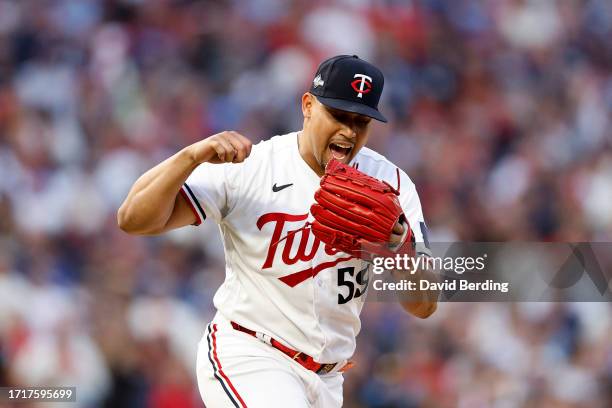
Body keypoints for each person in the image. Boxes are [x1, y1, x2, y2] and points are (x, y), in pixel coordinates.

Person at [118, 55, 437, 407]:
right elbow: (133, 218)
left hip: (328, 380)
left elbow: (424, 305)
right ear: (308, 106)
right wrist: (192, 156)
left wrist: (400, 244)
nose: (349, 130)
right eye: (339, 116)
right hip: (251, 355)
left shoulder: (391, 184)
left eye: (361, 121)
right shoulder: (253, 166)